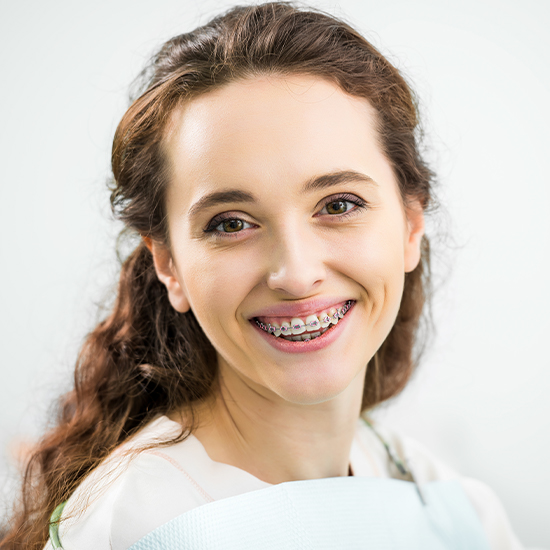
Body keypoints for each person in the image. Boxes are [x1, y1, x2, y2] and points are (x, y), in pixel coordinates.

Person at [2, 2, 526, 549]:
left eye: (339, 204)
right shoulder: (136, 526)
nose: (296, 274)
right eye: (231, 223)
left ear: (411, 226)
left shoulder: (460, 512)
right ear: (169, 264)